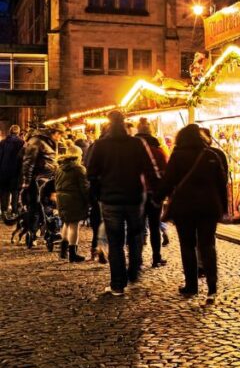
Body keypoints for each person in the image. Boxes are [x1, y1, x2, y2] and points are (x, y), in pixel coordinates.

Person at [88, 111, 159, 296]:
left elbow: (91, 173)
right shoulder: (137, 143)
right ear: (125, 124)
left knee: (115, 241)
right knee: (135, 236)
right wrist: (157, 193)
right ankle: (134, 272)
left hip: (110, 199)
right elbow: (151, 169)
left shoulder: (101, 145)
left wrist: (96, 195)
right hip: (135, 197)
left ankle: (118, 284)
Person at [157, 124, 228, 302]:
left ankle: (191, 285)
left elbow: (168, 181)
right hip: (209, 208)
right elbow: (222, 183)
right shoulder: (212, 155)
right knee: (207, 245)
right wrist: (223, 208)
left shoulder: (178, 155)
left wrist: (156, 198)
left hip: (185, 208)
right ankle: (212, 287)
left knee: (187, 245)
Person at [135, 118, 169, 267]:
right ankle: (156, 257)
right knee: (155, 226)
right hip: (154, 194)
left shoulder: (131, 150)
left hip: (137, 194)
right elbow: (164, 173)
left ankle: (138, 259)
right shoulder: (158, 151)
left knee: (138, 227)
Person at [20, 126, 59, 248]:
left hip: (46, 178)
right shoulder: (37, 142)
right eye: (60, 134)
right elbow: (28, 162)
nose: (60, 137)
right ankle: (34, 232)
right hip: (37, 180)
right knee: (36, 207)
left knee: (46, 206)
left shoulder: (47, 142)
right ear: (54, 133)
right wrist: (26, 181)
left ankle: (49, 231)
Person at [54, 143, 89, 263]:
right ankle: (73, 253)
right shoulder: (79, 169)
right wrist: (88, 200)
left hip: (61, 198)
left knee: (66, 223)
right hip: (74, 199)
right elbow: (84, 188)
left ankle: (63, 250)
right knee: (74, 225)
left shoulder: (59, 167)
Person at [0, 125, 25, 216]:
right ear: (18, 133)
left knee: (4, 192)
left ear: (10, 132)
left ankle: (4, 211)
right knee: (15, 192)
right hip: (17, 172)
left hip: (4, 172)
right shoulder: (22, 143)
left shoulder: (2, 142)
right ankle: (14, 211)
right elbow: (23, 159)